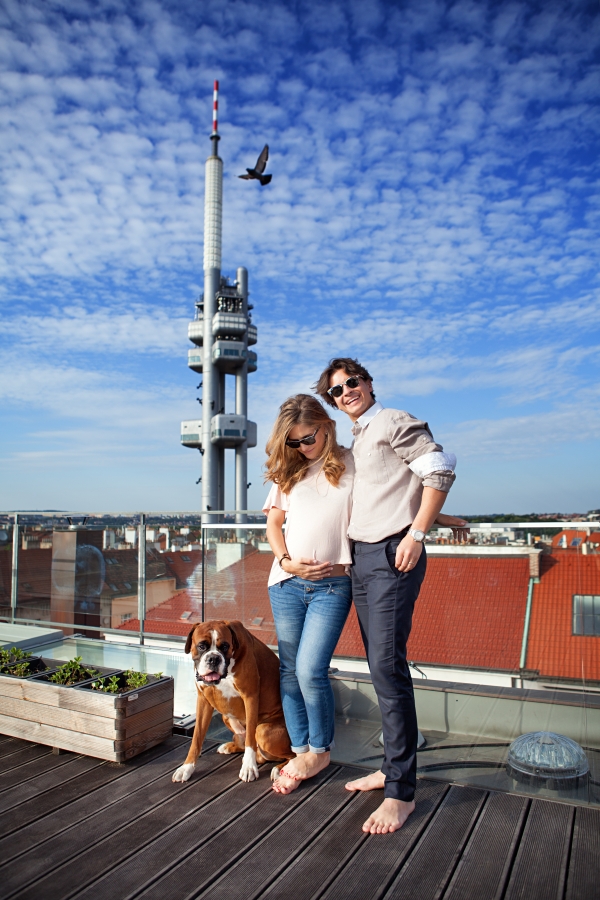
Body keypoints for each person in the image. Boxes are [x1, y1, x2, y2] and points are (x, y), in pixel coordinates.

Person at [314, 357, 461, 835]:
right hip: (362, 557)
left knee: (386, 668)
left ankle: (401, 792)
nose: (346, 392)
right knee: (381, 666)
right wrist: (439, 519)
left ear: (369, 382)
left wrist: (417, 533)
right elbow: (393, 488)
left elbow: (438, 469)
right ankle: (390, 768)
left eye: (352, 382)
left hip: (392, 554)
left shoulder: (393, 419)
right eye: (336, 391)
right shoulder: (358, 436)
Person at [263, 394, 354, 793]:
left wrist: (436, 516)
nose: (302, 447)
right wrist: (287, 562)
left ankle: (320, 751)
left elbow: (395, 498)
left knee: (310, 669)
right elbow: (273, 525)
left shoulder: (353, 463)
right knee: (288, 670)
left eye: (308, 438)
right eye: (294, 442)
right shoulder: (290, 471)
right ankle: (299, 749)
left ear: (327, 426)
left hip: (333, 585)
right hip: (285, 582)